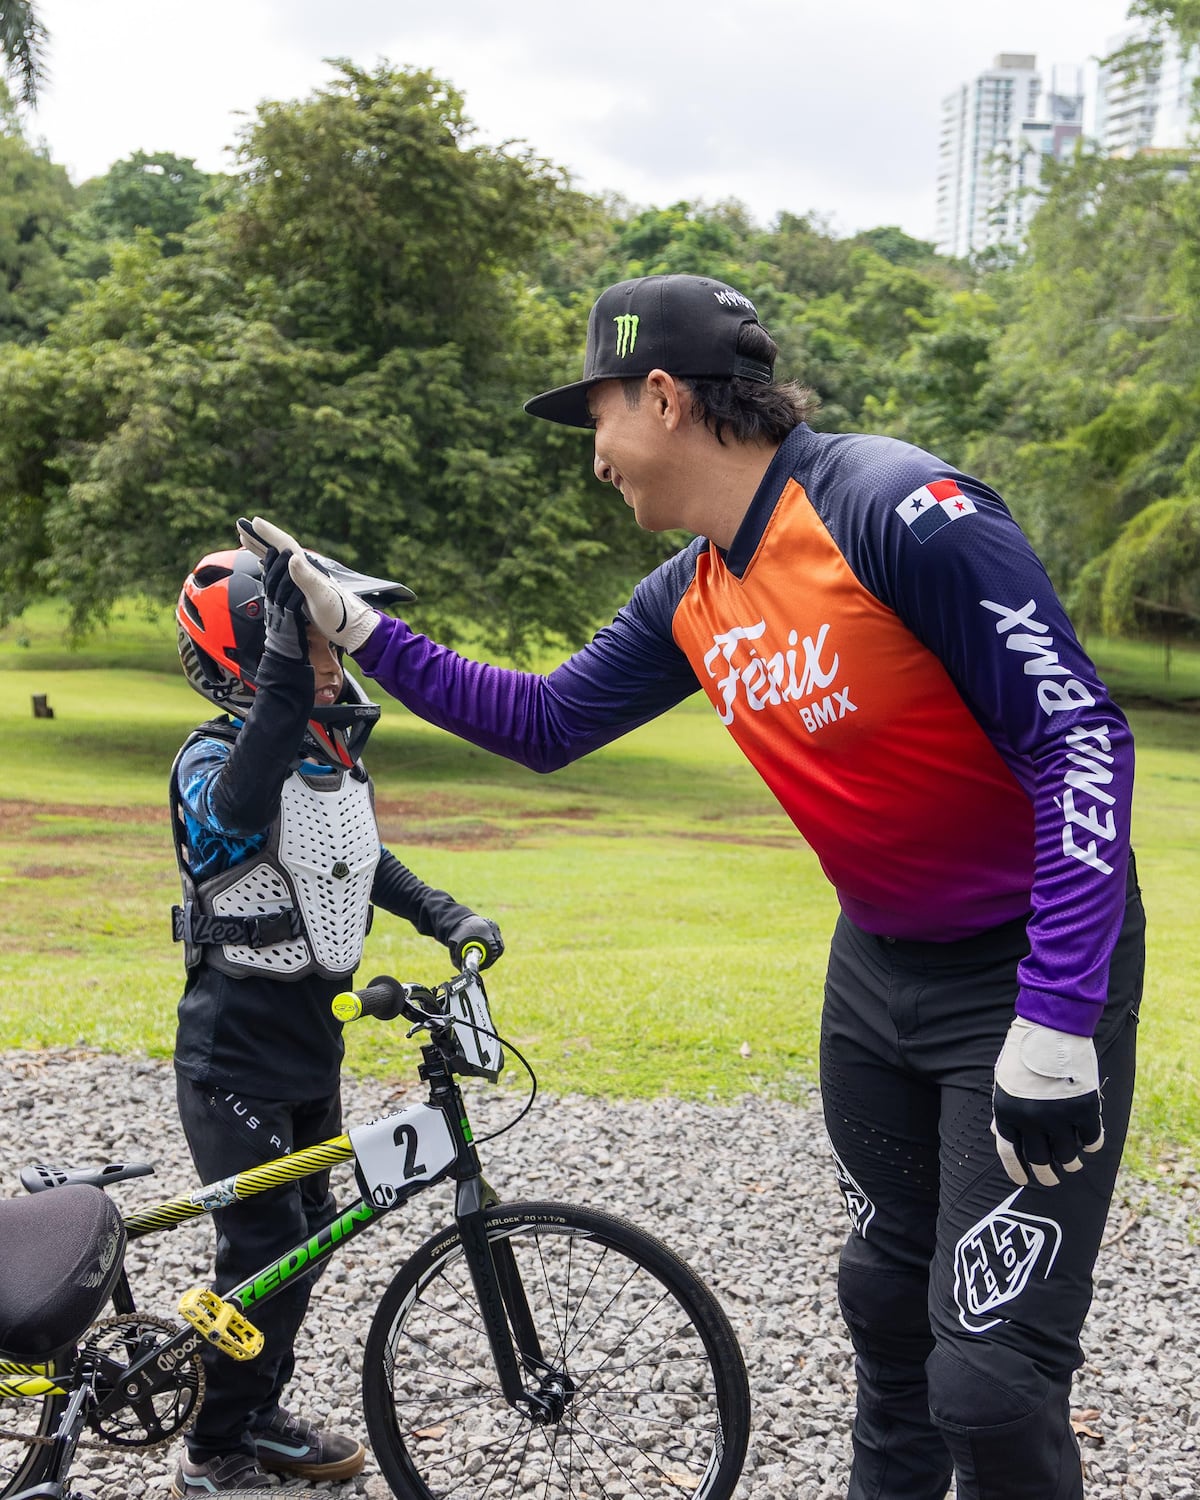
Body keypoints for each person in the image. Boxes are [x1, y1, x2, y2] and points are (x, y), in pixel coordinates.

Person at [243, 271, 1145, 1500]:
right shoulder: (695, 593)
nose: (597, 457)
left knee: (989, 1385)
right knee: (885, 1311)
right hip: (878, 978)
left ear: (664, 397)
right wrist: (354, 625)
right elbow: (548, 719)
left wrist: (1056, 1018)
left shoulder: (898, 509)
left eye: (600, 418)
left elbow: (1079, 738)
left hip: (1027, 976)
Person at [169, 544, 503, 1496]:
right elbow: (238, 807)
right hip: (231, 1059)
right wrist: (287, 651)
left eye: (324, 646)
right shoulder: (208, 761)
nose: (332, 663)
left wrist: (446, 915)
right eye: (311, 643)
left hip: (313, 1053)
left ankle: (255, 1412)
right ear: (253, 651)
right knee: (266, 1248)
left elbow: (366, 861)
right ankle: (214, 1447)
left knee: (305, 1240)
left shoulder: (330, 756)